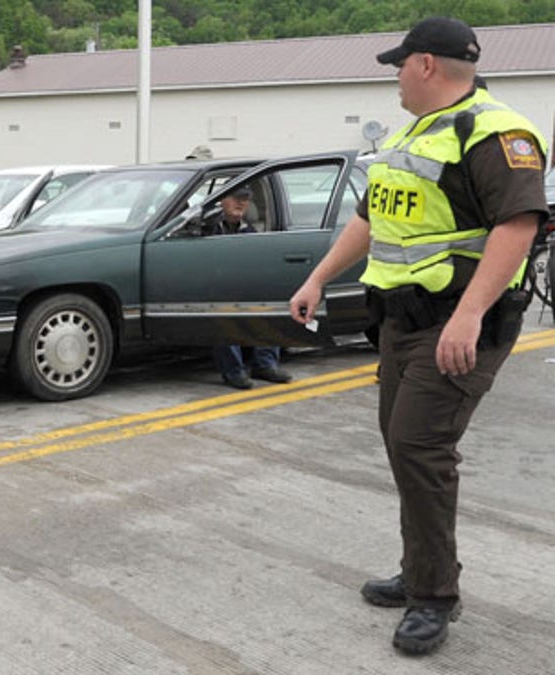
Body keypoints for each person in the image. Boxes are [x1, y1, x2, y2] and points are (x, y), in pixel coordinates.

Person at [288, 17, 548, 655]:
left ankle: (434, 597)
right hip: (401, 325)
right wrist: (319, 278)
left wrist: (467, 317)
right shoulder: (413, 134)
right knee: (403, 449)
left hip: (460, 325)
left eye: (400, 64)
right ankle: (420, 571)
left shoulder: (495, 132)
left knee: (420, 449)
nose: (396, 76)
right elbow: (369, 220)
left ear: (426, 64)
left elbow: (518, 227)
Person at [205, 187, 292, 389]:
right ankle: (233, 371)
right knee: (223, 308)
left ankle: (265, 364)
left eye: (245, 199)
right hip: (216, 285)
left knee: (267, 302)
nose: (241, 203)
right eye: (236, 198)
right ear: (222, 200)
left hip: (242, 285)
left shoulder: (250, 231)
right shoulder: (208, 228)